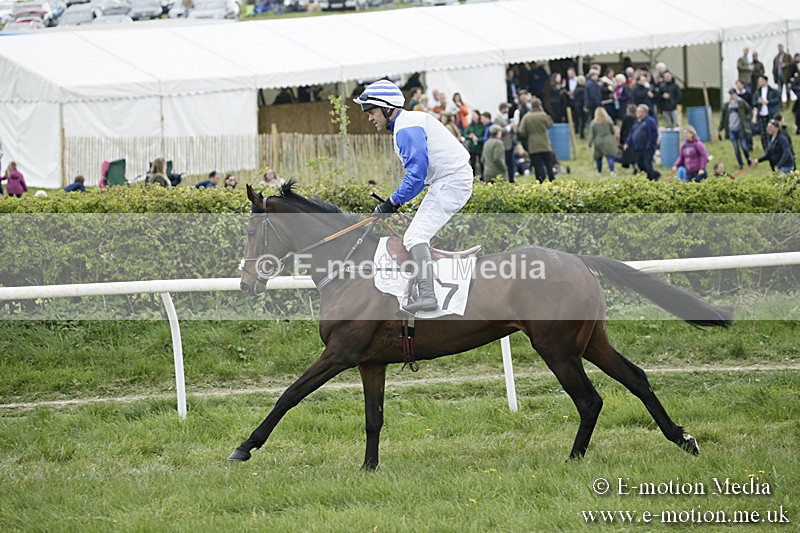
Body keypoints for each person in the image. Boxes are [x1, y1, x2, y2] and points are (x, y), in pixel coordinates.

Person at [354, 79, 473, 314]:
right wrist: (394, 202)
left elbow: (416, 176)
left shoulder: (406, 128)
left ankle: (428, 296)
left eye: (373, 111)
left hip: (451, 181)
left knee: (415, 236)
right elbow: (418, 179)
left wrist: (390, 203)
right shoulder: (407, 124)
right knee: (415, 235)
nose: (370, 118)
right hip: (448, 180)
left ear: (388, 108)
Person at [517, 97, 555, 183]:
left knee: (537, 165)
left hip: (533, 144)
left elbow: (521, 131)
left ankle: (540, 180)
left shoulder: (527, 117)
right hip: (544, 143)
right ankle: (552, 179)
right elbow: (550, 125)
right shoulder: (543, 115)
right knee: (548, 164)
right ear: (540, 105)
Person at [718, 88, 753, 169]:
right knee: (736, 149)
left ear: (736, 94)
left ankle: (748, 159)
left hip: (740, 128)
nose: (732, 96)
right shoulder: (727, 105)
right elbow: (723, 118)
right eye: (730, 94)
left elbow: (749, 111)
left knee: (744, 146)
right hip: (731, 129)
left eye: (733, 94)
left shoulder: (741, 102)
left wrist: (746, 119)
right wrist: (720, 129)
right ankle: (741, 164)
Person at [624, 104, 660, 181]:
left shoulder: (650, 121)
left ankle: (652, 179)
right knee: (641, 165)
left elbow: (654, 135)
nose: (637, 113)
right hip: (638, 148)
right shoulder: (637, 121)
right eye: (637, 111)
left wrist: (650, 145)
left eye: (639, 112)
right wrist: (627, 142)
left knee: (647, 164)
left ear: (644, 112)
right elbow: (632, 132)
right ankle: (655, 174)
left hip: (647, 148)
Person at [751, 75, 781, 151]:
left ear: (765, 81)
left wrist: (768, 102)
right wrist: (758, 102)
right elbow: (753, 102)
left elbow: (777, 99)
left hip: (770, 113)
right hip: (761, 114)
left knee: (772, 131)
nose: (759, 82)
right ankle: (766, 149)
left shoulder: (773, 91)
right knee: (763, 132)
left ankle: (773, 147)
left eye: (761, 80)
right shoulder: (757, 92)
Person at [588, 107, 619, 175]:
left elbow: (592, 134)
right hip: (608, 140)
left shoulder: (593, 123)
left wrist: (589, 143)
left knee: (598, 157)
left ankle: (599, 172)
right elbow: (612, 131)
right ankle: (612, 171)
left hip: (598, 141)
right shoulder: (609, 121)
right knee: (610, 156)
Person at [463, 110, 485, 177]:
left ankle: (483, 176)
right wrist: (470, 136)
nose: (473, 116)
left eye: (474, 114)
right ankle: (473, 177)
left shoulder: (482, 125)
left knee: (482, 162)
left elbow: (485, 137)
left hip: (480, 147)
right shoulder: (470, 125)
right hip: (472, 147)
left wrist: (478, 139)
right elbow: (465, 134)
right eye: (472, 115)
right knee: (472, 164)